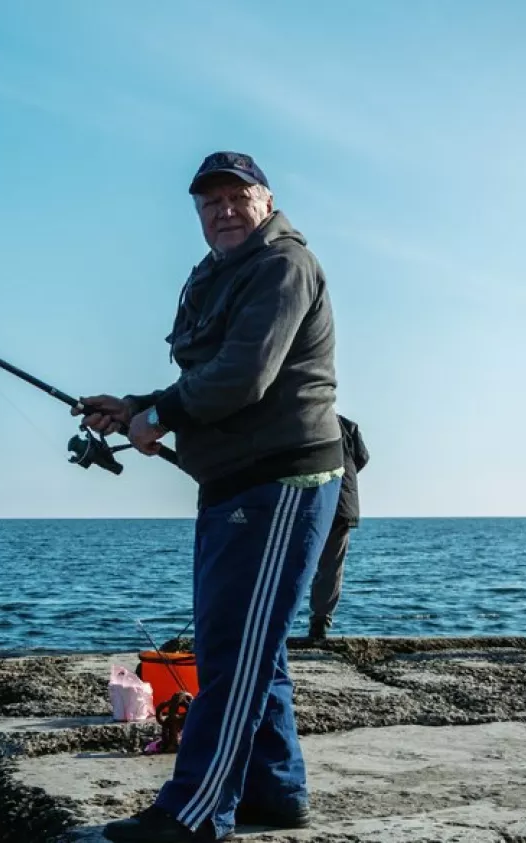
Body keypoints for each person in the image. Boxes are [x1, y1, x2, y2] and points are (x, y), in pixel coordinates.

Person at [76, 151, 342, 843]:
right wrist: (136, 404)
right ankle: (276, 791)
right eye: (209, 202)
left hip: (282, 481)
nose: (223, 209)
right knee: (253, 646)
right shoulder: (216, 274)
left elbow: (243, 377)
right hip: (230, 484)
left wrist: (157, 418)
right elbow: (206, 373)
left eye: (236, 196)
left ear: (266, 199)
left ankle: (194, 812)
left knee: (233, 653)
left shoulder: (284, 266)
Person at [306, 414, 369, 641]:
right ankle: (320, 625)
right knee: (331, 565)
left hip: (312, 498)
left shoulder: (300, 417)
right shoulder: (347, 425)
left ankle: (272, 624)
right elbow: (362, 458)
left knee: (291, 563)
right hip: (343, 502)